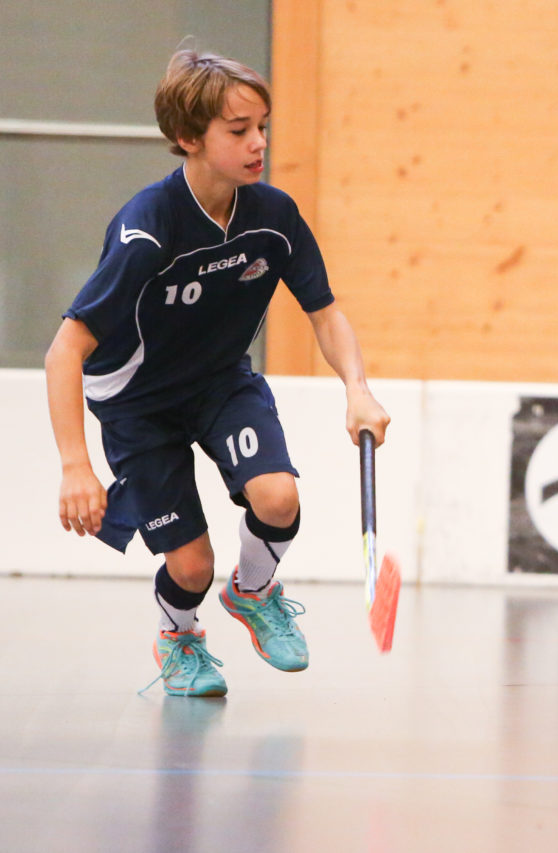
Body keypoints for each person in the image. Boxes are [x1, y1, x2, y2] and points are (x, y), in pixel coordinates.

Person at [45, 48, 391, 697]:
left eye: (262, 125)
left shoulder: (274, 217)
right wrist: (74, 463)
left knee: (279, 497)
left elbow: (325, 312)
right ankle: (178, 635)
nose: (258, 143)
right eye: (238, 131)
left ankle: (254, 590)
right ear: (188, 138)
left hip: (220, 383)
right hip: (138, 403)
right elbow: (65, 350)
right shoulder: (147, 229)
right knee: (192, 565)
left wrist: (359, 388)